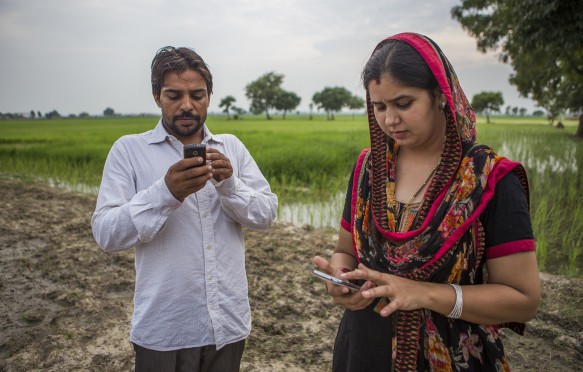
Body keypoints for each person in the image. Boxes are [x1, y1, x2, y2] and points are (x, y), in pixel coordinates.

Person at [313, 32, 541, 371]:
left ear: (440, 96)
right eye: (379, 106)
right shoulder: (368, 169)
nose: (390, 120)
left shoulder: (489, 179)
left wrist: (425, 293)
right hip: (362, 349)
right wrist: (343, 277)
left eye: (404, 103)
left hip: (452, 355)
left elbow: (523, 300)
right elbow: (346, 250)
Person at [91, 46, 278, 372]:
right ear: (156, 96)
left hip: (227, 326)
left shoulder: (231, 148)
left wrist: (229, 186)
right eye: (174, 95)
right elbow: (106, 233)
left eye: (197, 95)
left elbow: (266, 215)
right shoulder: (129, 151)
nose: (187, 105)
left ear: (209, 97)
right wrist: (165, 193)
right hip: (164, 330)